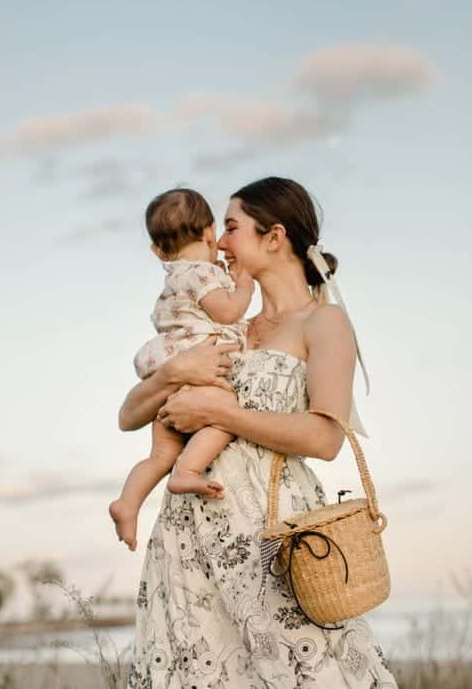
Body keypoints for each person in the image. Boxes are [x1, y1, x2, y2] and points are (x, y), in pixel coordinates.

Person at [120, 177, 399, 687]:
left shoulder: (323, 322)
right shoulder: (224, 330)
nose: (219, 243)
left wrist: (219, 412)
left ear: (274, 238)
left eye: (230, 227)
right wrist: (169, 375)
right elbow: (128, 415)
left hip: (269, 539)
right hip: (187, 537)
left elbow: (325, 439)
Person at [110, 188, 254, 551]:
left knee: (159, 456)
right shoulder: (202, 274)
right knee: (225, 413)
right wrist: (244, 287)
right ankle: (187, 472)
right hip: (200, 375)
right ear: (209, 231)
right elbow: (227, 312)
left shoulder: (173, 278)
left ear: (157, 250)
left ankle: (128, 503)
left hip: (170, 385)